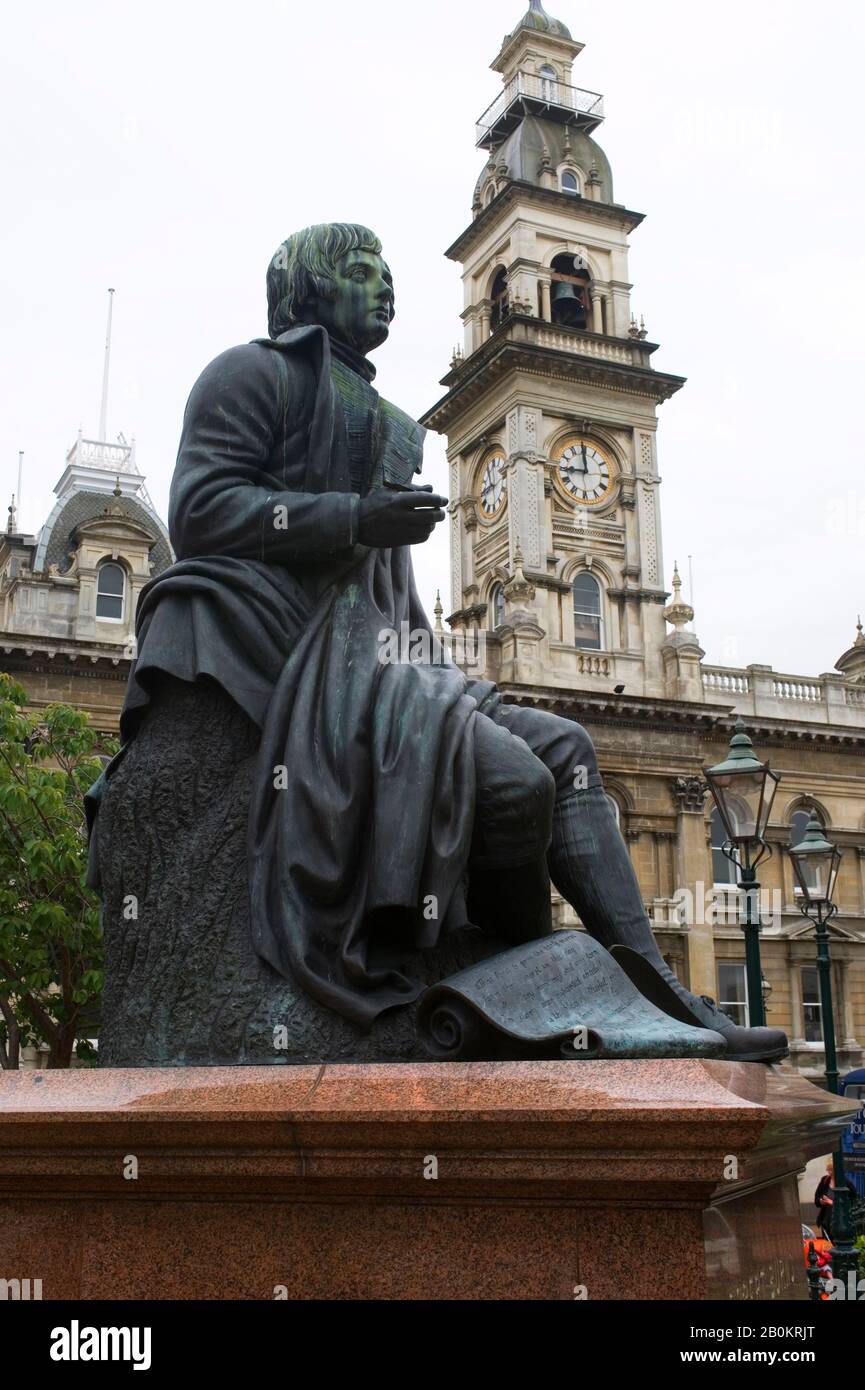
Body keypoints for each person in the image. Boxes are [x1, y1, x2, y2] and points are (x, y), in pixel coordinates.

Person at [89, 222, 787, 1066]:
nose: (384, 286)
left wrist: (437, 677)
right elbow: (200, 509)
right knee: (512, 784)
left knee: (565, 747)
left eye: (388, 273)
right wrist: (351, 518)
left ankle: (650, 990)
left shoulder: (388, 420)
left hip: (381, 656)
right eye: (359, 271)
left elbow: (389, 594)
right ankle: (517, 995)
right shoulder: (250, 375)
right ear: (308, 287)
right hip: (292, 647)